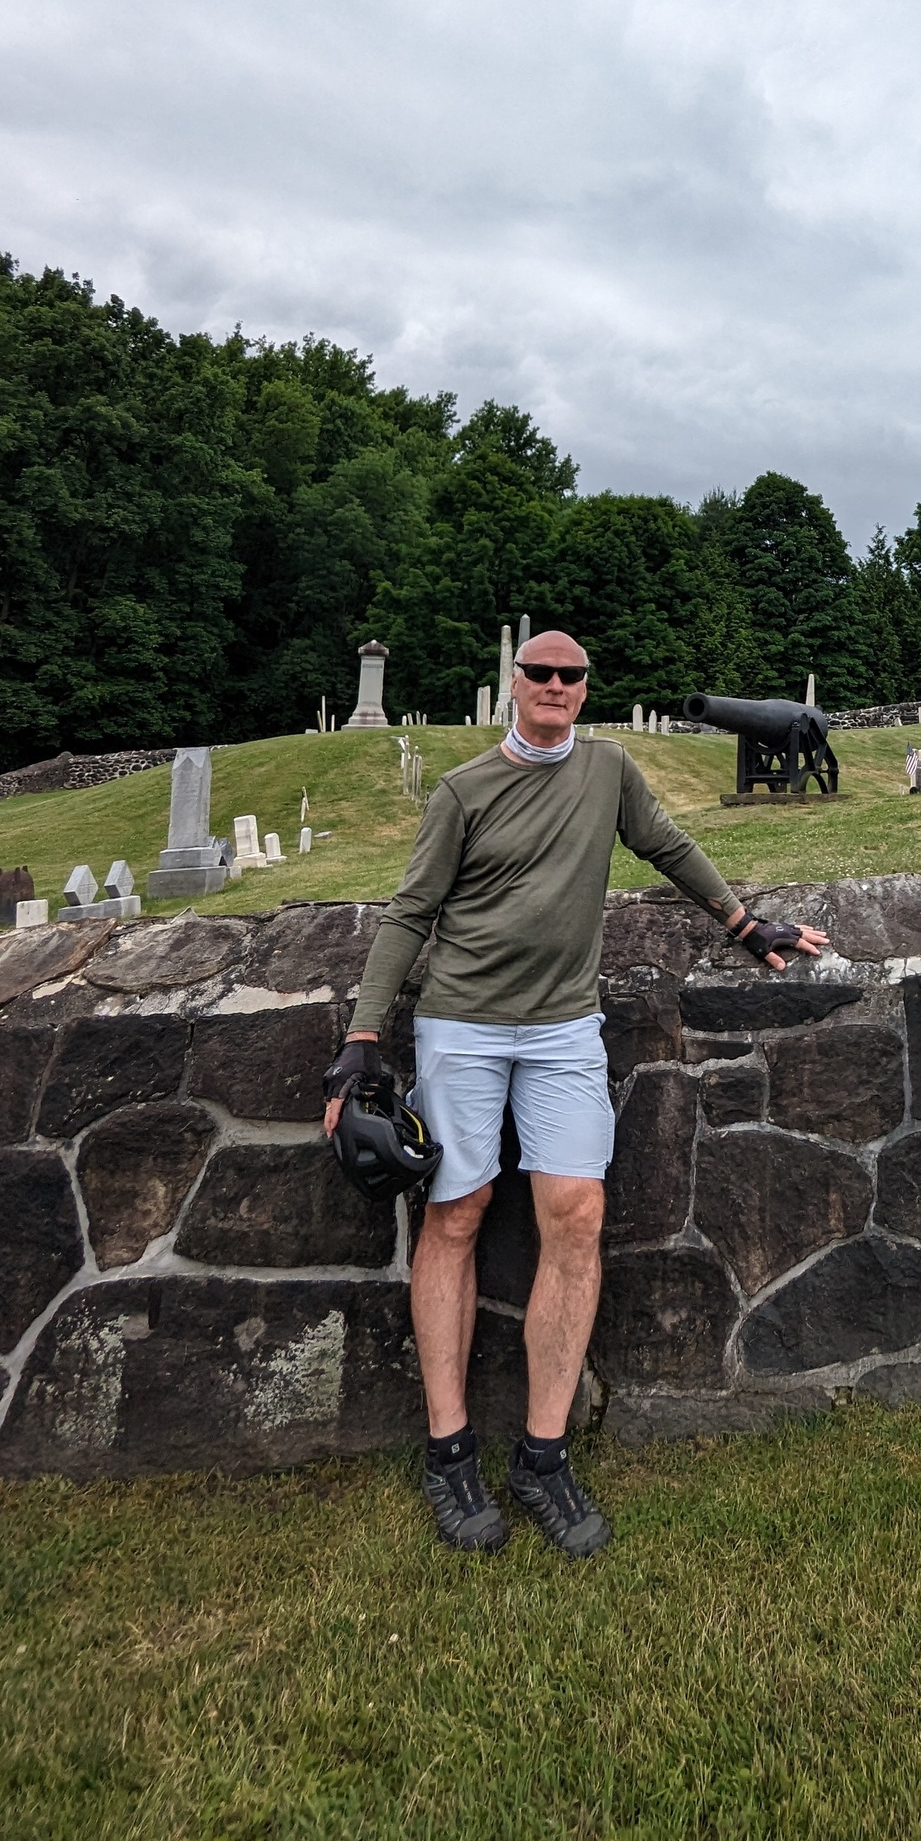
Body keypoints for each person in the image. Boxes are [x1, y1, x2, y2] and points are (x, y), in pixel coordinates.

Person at [322, 630, 829, 1559]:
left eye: (571, 676)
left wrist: (749, 926)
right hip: (463, 1025)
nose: (555, 687)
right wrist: (360, 1041)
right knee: (459, 1213)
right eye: (540, 674)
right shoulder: (463, 791)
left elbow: (669, 846)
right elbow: (409, 914)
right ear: (514, 684)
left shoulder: (609, 772)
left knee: (577, 1215)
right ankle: (448, 1451)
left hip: (562, 1030)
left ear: (584, 689)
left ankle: (543, 1457)